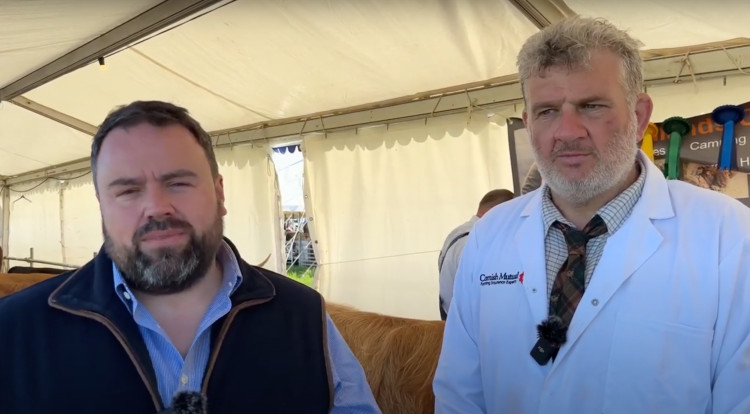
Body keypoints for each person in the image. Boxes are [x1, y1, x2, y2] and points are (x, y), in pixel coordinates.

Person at [433, 17, 750, 413]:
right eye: (547, 111)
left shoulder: (726, 235)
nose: (567, 131)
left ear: (639, 116)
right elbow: (459, 394)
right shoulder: (489, 235)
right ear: (528, 122)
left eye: (591, 106)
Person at [0, 101, 381, 414]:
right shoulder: (14, 331)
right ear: (102, 206)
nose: (156, 207)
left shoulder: (304, 317)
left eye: (178, 182)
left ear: (219, 192)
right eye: (128, 190)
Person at [437, 189, 514, 320]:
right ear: (499, 211)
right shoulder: (478, 243)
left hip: (453, 320)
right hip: (470, 327)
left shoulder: (457, 233)